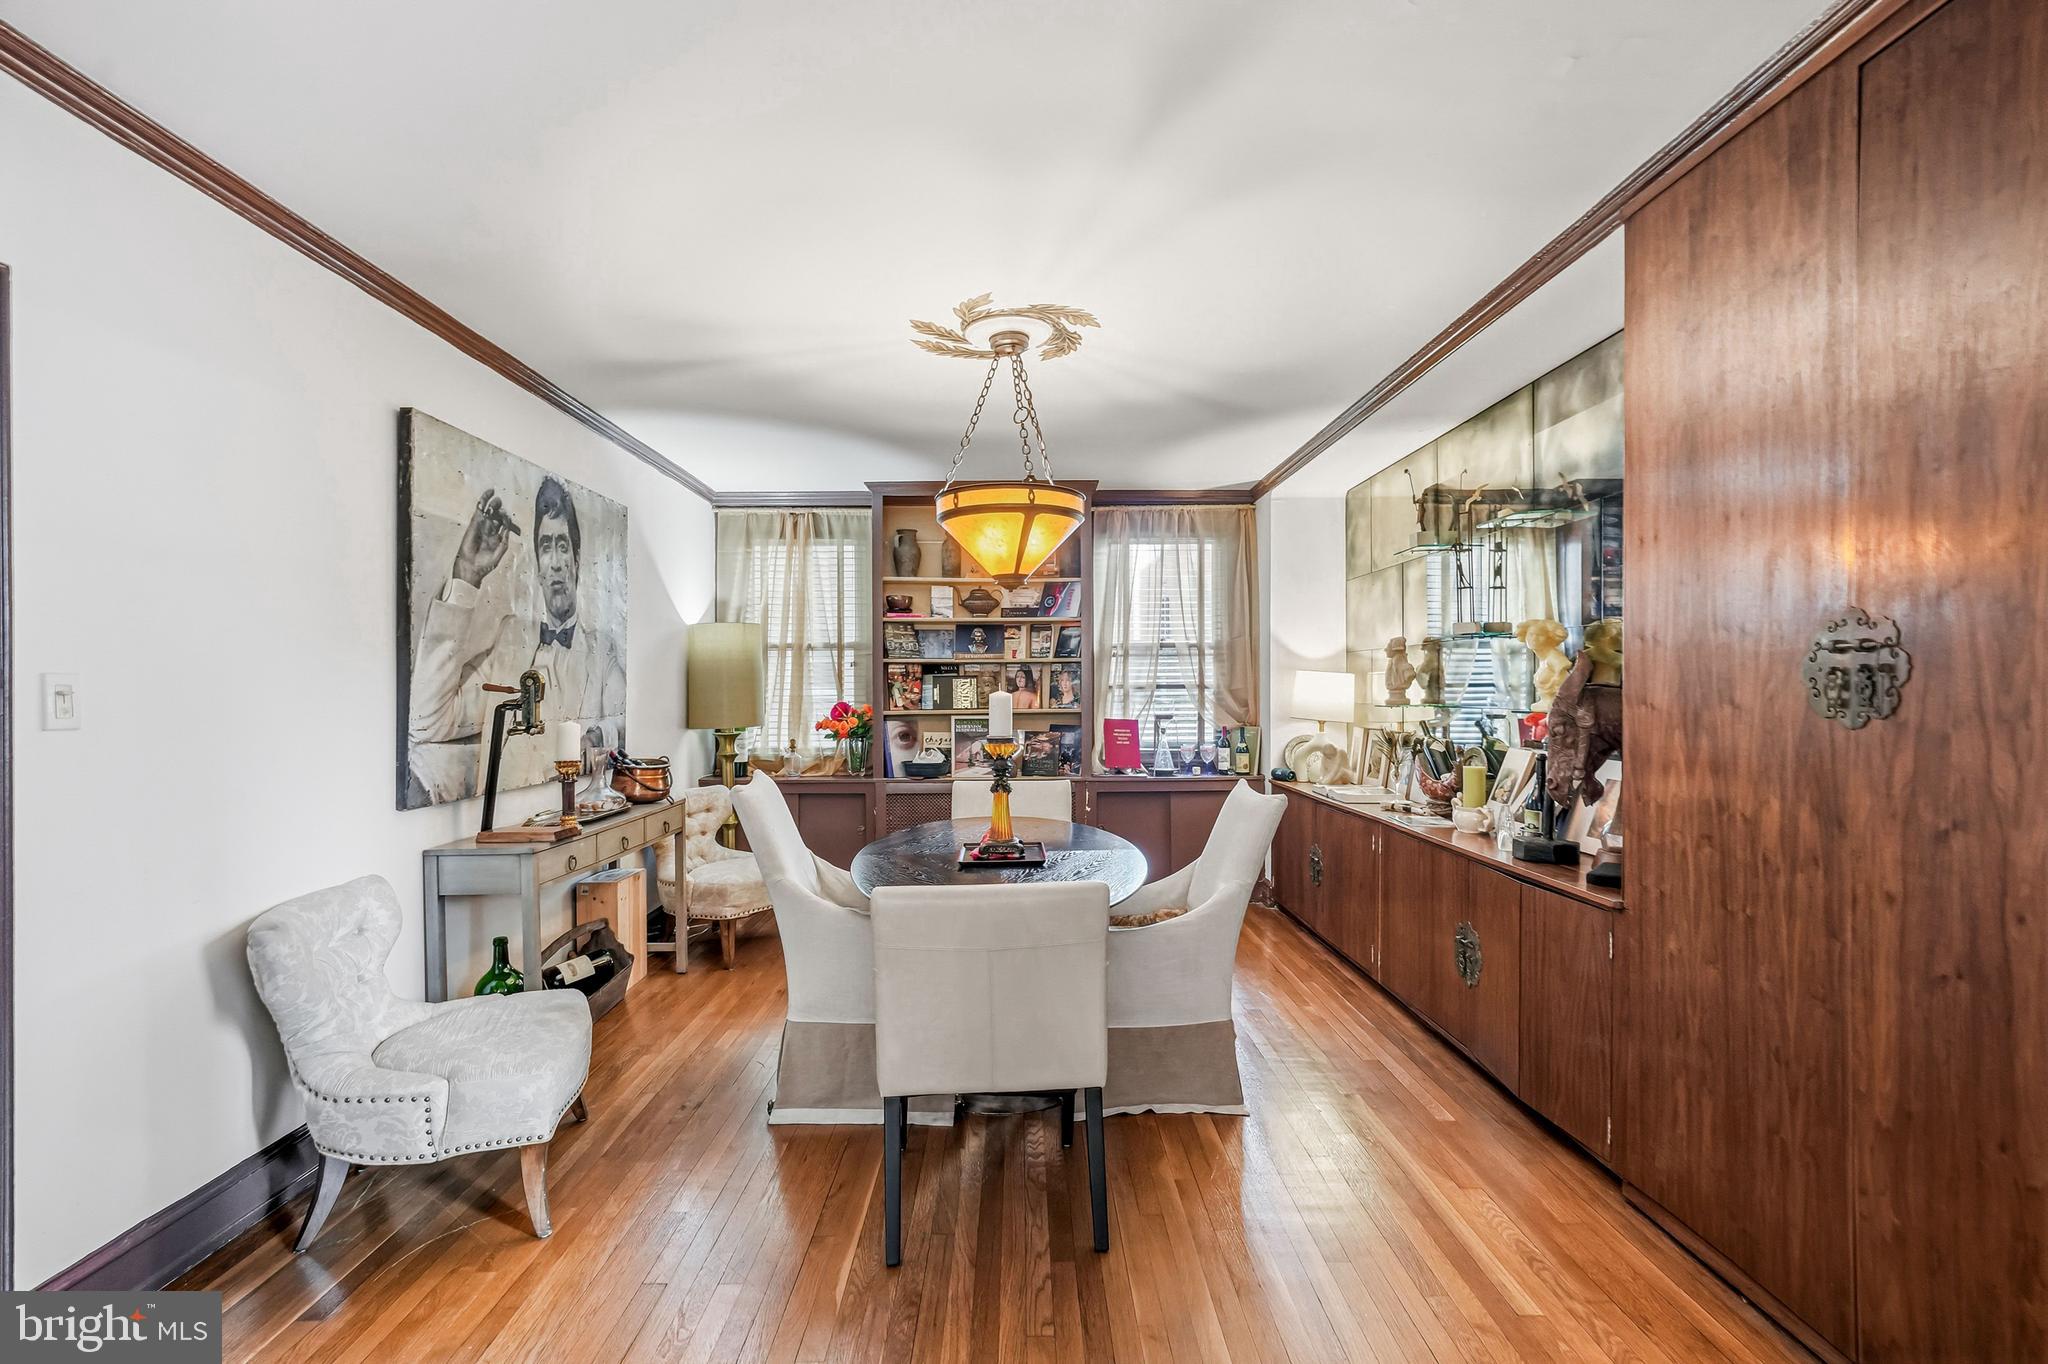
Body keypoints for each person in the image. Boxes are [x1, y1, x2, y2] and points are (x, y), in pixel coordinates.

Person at [406, 476, 626, 806]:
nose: (554, 563)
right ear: (537, 567)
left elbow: (624, 719)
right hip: (514, 816)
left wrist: (597, 735)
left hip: (576, 807)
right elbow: (425, 722)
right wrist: (467, 575)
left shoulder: (600, 651)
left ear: (577, 562)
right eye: (545, 547)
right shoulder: (511, 643)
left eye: (562, 546)